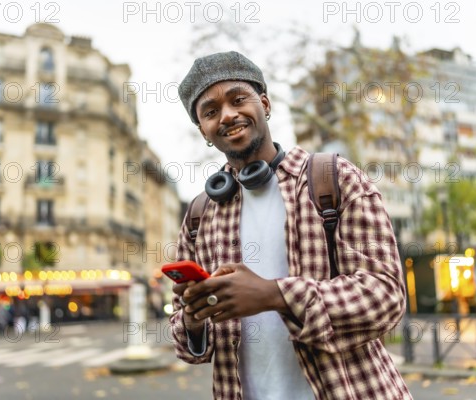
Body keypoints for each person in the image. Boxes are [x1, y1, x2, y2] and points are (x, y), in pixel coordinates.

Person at [169, 51, 412, 399]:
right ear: (204, 131)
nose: (227, 115)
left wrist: (274, 295)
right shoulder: (199, 215)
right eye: (210, 111)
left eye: (238, 99)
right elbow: (187, 344)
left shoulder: (334, 179)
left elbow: (385, 296)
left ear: (264, 104)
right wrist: (193, 320)